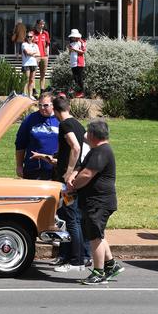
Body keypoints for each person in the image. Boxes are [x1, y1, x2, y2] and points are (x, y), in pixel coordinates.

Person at [67, 119, 124, 285]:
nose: (85, 135)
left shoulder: (102, 151)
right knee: (97, 235)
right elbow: (81, 168)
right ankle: (111, 265)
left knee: (95, 237)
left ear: (92, 134)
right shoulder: (96, 150)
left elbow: (87, 174)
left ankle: (98, 273)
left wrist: (73, 186)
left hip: (99, 201)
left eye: (87, 132)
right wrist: (72, 175)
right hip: (95, 201)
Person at [41, 95, 91, 272]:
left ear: (55, 110)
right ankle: (73, 257)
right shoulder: (77, 123)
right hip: (72, 178)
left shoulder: (65, 125)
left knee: (71, 220)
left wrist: (69, 171)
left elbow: (76, 147)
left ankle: (76, 261)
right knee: (69, 218)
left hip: (67, 181)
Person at [15, 92, 59, 180]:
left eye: (46, 105)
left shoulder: (59, 120)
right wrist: (19, 166)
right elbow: (20, 144)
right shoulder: (30, 119)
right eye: (40, 105)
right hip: (34, 169)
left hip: (55, 168)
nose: (42, 108)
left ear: (53, 105)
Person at [68, 29, 86, 98]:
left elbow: (83, 51)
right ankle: (77, 91)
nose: (72, 38)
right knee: (75, 78)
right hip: (73, 62)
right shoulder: (71, 44)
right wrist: (70, 50)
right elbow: (70, 53)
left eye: (73, 37)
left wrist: (74, 49)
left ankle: (82, 92)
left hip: (79, 62)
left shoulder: (81, 42)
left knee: (80, 78)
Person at [21, 31, 40, 99]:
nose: (29, 38)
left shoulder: (35, 45)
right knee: (26, 79)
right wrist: (34, 53)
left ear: (33, 37)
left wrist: (32, 53)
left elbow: (39, 54)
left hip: (33, 64)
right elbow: (27, 52)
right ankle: (24, 93)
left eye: (31, 37)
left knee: (32, 80)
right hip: (26, 64)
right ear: (26, 37)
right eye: (28, 36)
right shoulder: (24, 44)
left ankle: (30, 94)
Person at [33, 19, 50, 94]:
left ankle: (42, 90)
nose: (42, 25)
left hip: (44, 56)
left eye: (43, 24)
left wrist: (47, 55)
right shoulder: (32, 33)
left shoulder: (45, 33)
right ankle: (34, 91)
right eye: (40, 24)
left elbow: (48, 44)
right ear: (37, 24)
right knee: (33, 73)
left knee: (43, 74)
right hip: (36, 56)